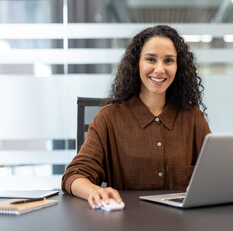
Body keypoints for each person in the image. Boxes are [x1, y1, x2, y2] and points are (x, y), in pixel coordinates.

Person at [61, 25, 211, 209]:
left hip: (182, 223)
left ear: (178, 67)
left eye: (169, 61)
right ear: (137, 63)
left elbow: (214, 172)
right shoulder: (109, 118)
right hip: (126, 221)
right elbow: (74, 176)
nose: (159, 69)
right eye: (150, 59)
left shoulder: (192, 117)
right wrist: (94, 191)